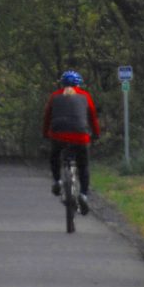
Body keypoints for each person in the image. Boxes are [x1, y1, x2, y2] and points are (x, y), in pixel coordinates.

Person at [43, 70, 99, 215]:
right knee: (83, 165)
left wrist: (45, 133)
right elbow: (92, 117)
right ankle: (83, 194)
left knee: (54, 157)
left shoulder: (55, 96)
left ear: (62, 84)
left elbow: (47, 116)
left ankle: (57, 181)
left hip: (58, 136)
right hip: (80, 136)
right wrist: (96, 134)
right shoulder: (85, 96)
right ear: (78, 84)